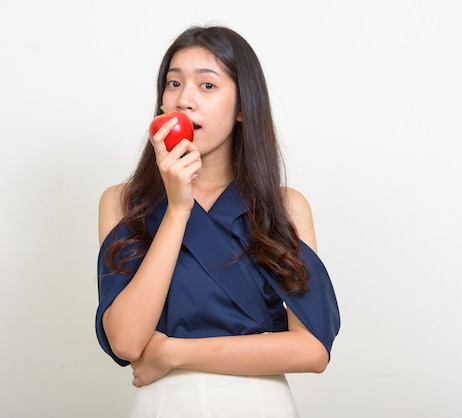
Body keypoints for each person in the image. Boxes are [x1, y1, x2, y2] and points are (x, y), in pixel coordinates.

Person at [95, 25, 340, 417]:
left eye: (207, 86)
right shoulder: (124, 203)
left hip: (261, 406)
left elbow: (312, 350)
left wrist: (172, 352)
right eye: (174, 83)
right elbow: (125, 341)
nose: (184, 100)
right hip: (161, 407)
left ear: (243, 108)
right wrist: (177, 209)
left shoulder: (284, 206)